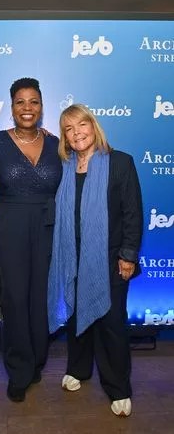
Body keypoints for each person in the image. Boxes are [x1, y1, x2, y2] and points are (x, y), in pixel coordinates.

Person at [48, 104, 143, 417]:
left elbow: (132, 214)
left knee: (112, 323)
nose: (77, 134)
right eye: (69, 129)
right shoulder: (63, 166)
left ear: (94, 125)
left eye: (82, 125)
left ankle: (118, 387)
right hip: (72, 258)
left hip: (110, 260)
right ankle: (78, 369)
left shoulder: (120, 162)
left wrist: (128, 256)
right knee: (77, 318)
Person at [0, 78, 62, 402]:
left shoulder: (57, 144)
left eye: (34, 102)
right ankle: (18, 369)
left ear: (42, 106)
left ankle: (37, 358)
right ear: (11, 106)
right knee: (15, 298)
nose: (27, 108)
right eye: (20, 102)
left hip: (48, 226)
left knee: (40, 296)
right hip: (9, 225)